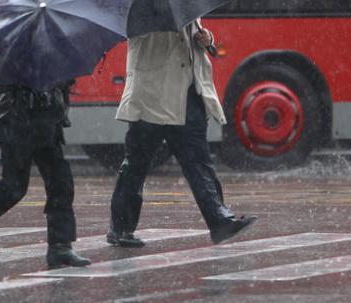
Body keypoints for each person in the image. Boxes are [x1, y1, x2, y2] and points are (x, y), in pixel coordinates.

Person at [107, 20, 257, 248]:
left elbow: (191, 41)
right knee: (136, 164)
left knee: (199, 162)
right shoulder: (139, 8)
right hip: (153, 96)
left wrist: (207, 39)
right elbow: (136, 40)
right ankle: (121, 228)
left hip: (187, 97)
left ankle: (220, 220)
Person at [0, 81, 91, 268]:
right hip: (17, 122)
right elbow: (7, 83)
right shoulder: (21, 57)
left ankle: (60, 246)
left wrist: (62, 83)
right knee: (14, 187)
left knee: (61, 183)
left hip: (47, 122)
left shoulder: (55, 58)